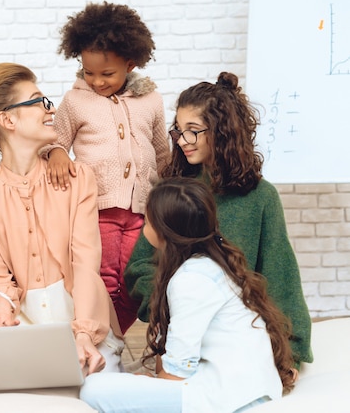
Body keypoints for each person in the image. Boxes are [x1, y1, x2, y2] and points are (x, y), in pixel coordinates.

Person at [124, 71, 313, 367]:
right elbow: (139, 266)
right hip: (179, 340)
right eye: (178, 130)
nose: (182, 140)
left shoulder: (261, 198)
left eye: (193, 130)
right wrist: (169, 307)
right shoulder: (173, 191)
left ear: (222, 131)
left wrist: (291, 353)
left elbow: (281, 280)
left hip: (238, 343)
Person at [0, 62, 125, 375]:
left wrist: (84, 334)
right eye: (38, 101)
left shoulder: (78, 179)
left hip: (86, 319)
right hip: (25, 327)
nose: (51, 109)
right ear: (8, 119)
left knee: (97, 396)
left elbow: (86, 263)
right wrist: (0, 303)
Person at [81, 177, 296, 412]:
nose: (144, 224)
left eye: (148, 219)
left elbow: (177, 372)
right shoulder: (210, 264)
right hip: (249, 389)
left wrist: (153, 382)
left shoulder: (191, 279)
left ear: (165, 231)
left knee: (93, 388)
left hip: (230, 398)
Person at [40, 2, 170, 334]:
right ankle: (103, 344)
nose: (97, 81)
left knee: (133, 280)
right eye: (89, 72)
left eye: (107, 73)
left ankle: (108, 339)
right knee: (105, 280)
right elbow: (53, 140)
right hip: (99, 211)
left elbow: (161, 152)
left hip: (142, 212)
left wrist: (172, 187)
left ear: (131, 63)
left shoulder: (150, 101)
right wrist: (55, 153)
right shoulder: (75, 101)